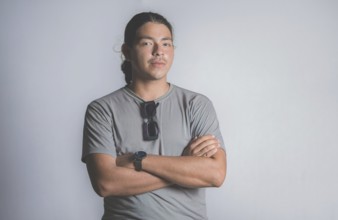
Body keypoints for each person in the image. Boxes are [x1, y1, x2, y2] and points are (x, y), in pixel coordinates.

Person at [82, 12, 227, 220]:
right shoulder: (102, 109)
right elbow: (106, 183)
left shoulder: (196, 105)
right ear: (127, 51)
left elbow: (215, 174)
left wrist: (138, 160)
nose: (159, 52)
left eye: (166, 44)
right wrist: (185, 166)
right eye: (147, 43)